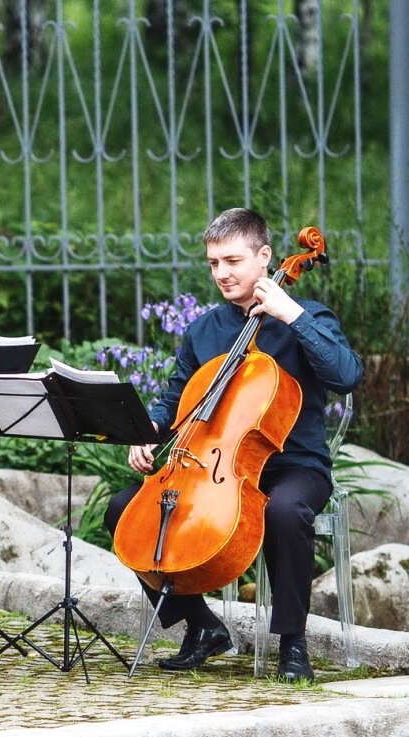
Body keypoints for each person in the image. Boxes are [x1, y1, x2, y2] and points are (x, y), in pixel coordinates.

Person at [104, 207, 363, 683]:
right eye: (212, 263)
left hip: (293, 466)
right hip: (210, 466)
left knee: (283, 511)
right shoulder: (205, 330)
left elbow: (346, 376)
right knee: (124, 511)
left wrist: (292, 313)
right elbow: (174, 400)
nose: (221, 273)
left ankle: (292, 645)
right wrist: (150, 432)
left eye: (232, 261)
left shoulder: (309, 318)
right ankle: (202, 626)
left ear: (264, 257)